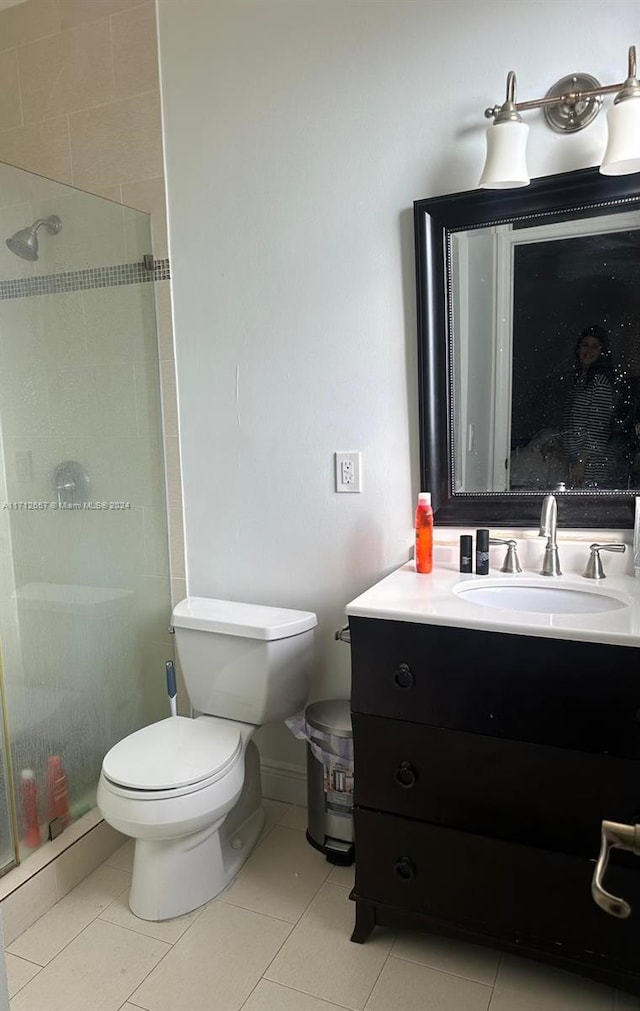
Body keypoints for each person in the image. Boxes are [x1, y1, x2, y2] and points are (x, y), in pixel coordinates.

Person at [561, 325, 616, 488]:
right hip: (576, 461)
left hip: (591, 466)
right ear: (578, 348)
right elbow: (571, 424)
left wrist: (581, 462)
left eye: (595, 346)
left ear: (602, 352)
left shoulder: (600, 382)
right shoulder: (581, 381)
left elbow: (597, 429)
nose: (589, 350)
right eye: (585, 345)